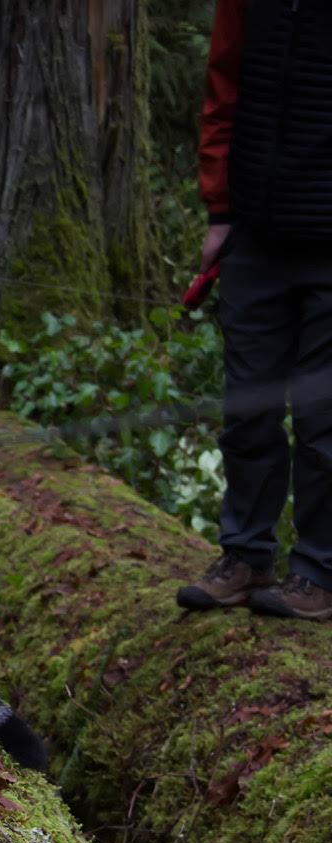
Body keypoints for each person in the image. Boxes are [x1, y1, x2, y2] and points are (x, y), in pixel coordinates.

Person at [176, 0, 332, 620]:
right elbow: (224, 88)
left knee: (324, 423)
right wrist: (219, 213)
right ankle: (245, 556)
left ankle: (319, 571)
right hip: (256, 239)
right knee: (248, 410)